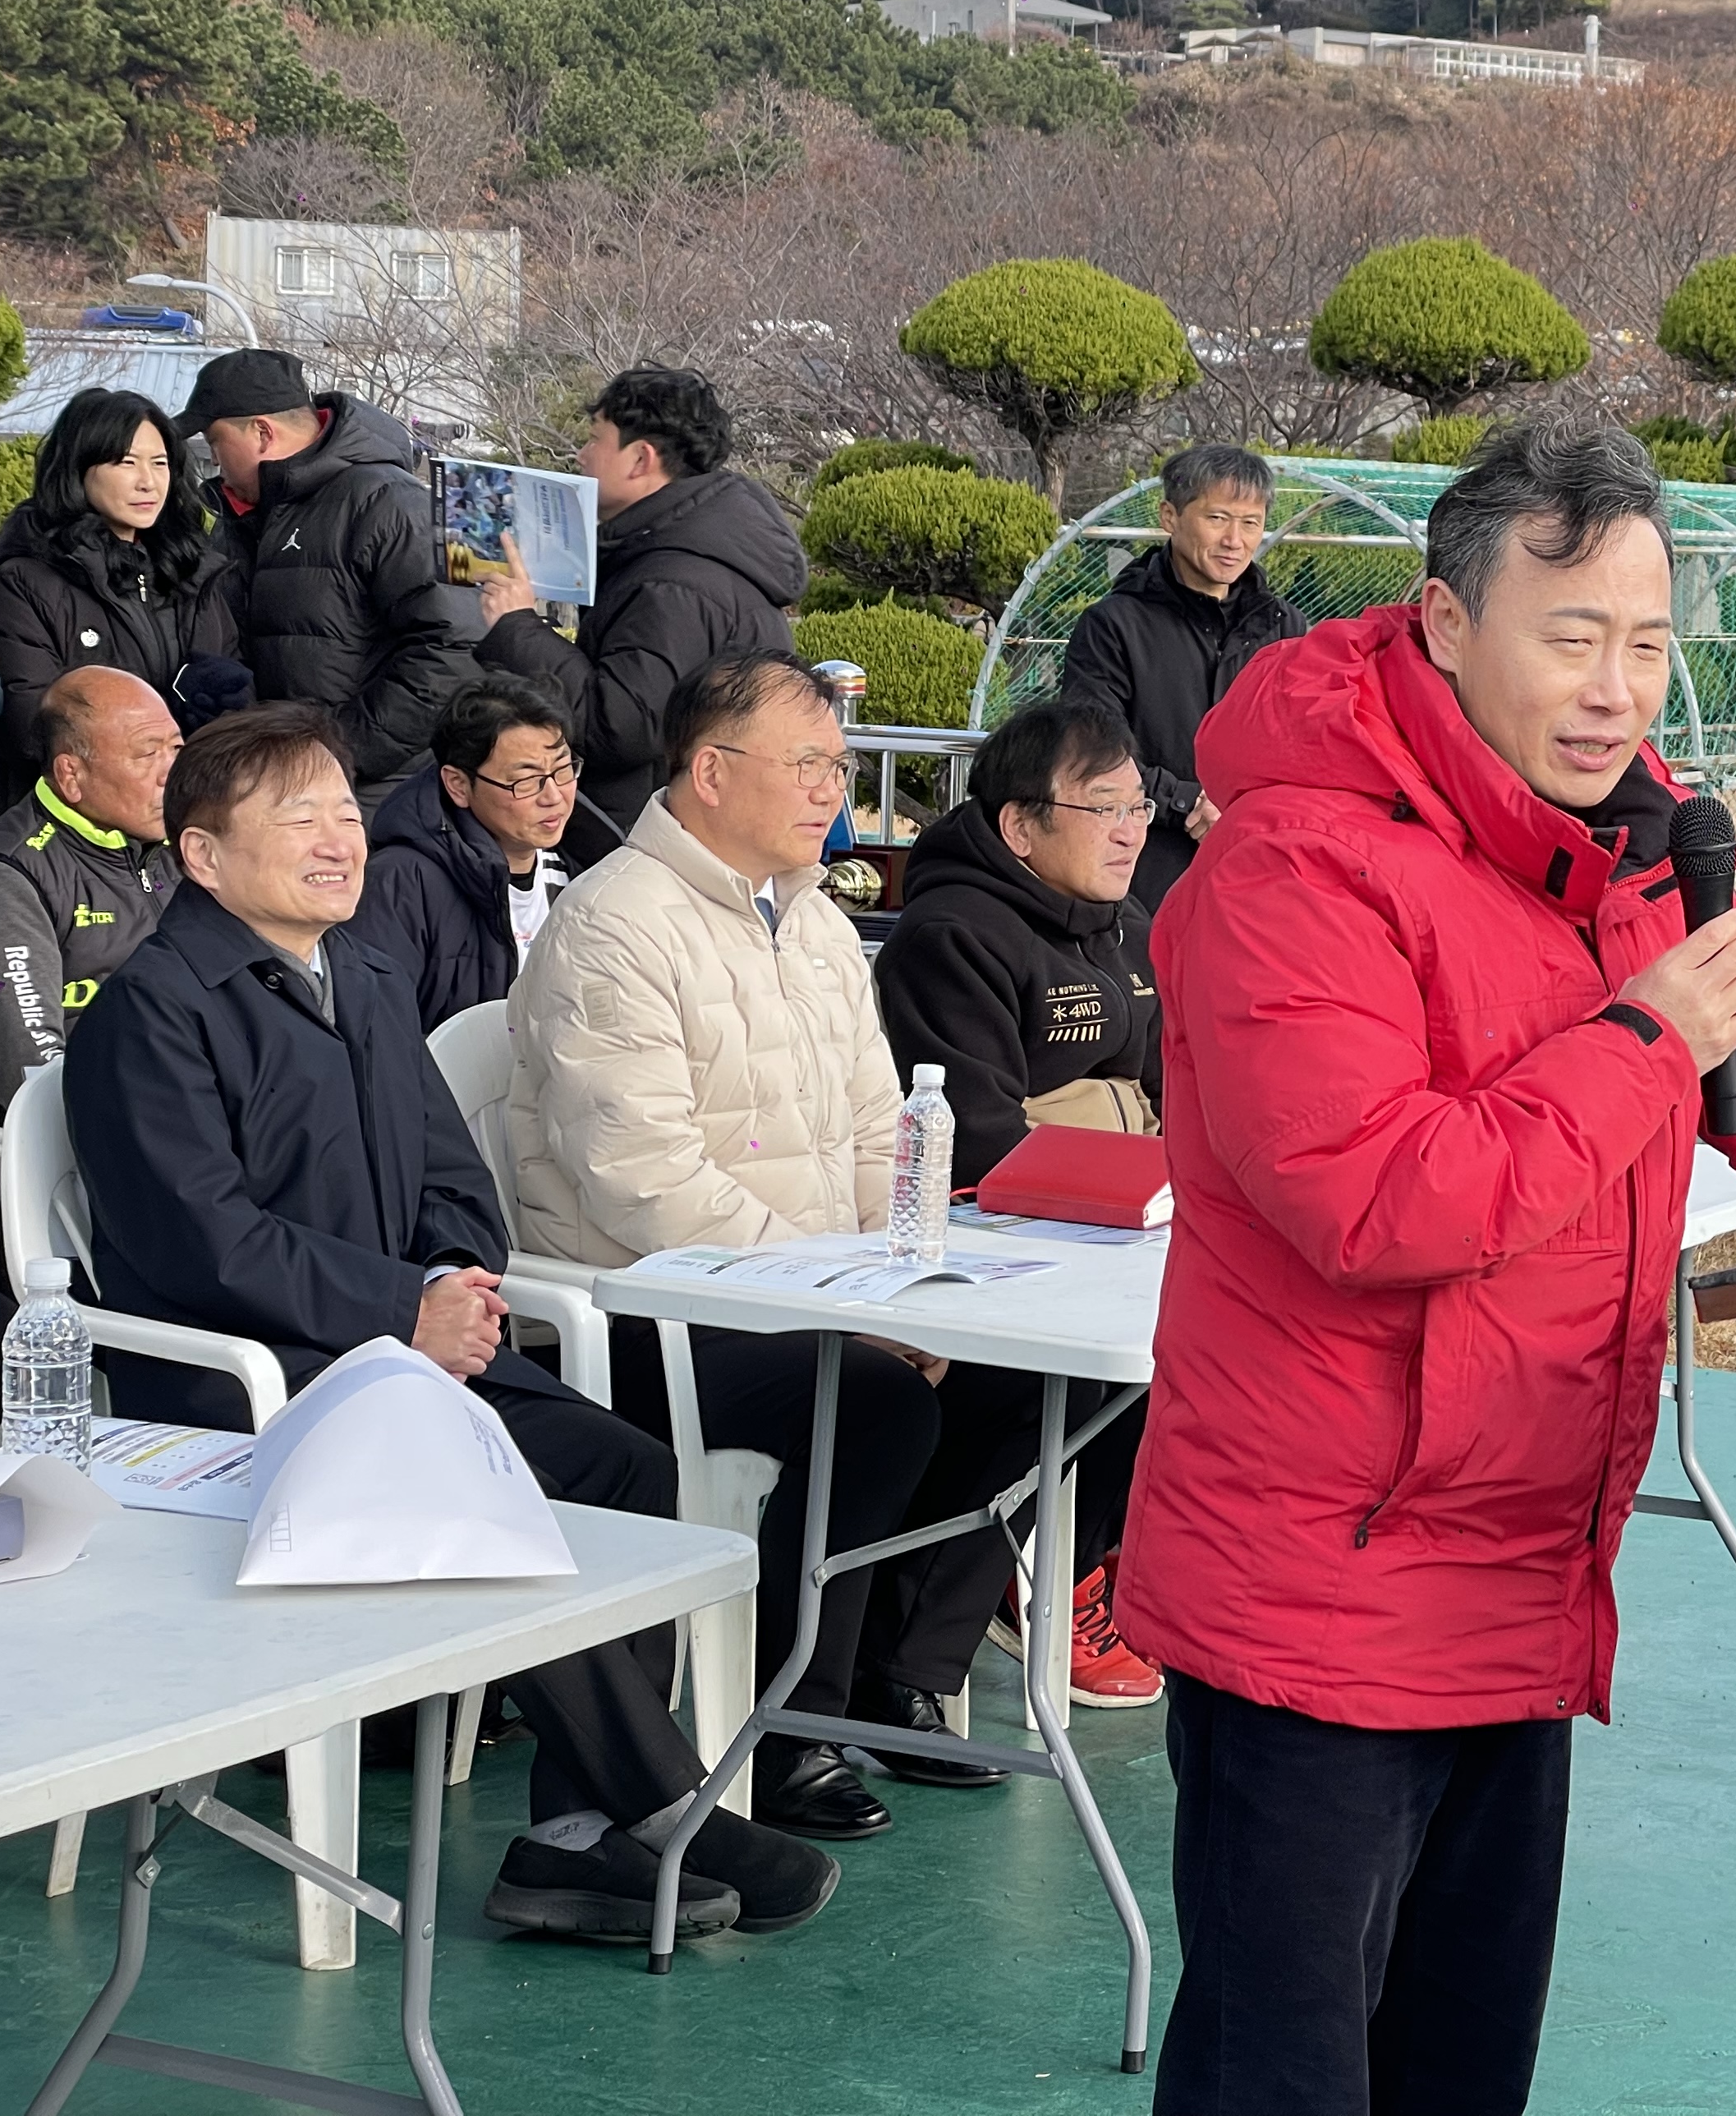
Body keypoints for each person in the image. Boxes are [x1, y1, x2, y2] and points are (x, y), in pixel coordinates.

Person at [1123, 420, 1736, 2116]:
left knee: (1457, 2072)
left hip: (1518, 1579)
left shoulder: (1633, 848)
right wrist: (1643, 1041)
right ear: (1447, 624)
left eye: (1649, 645)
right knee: (1281, 2079)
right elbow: (1378, 1196)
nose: (1615, 693)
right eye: (1572, 637)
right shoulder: (1295, 864)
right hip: (1321, 1599)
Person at [65, 704, 837, 1944]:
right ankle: (666, 1806)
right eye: (298, 818)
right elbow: (200, 1243)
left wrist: (453, 1289)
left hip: (405, 1363)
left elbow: (453, 1182)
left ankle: (571, 1839)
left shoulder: (366, 977)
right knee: (491, 1488)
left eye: (344, 811)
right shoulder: (151, 1012)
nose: (339, 841)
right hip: (249, 1392)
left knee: (623, 1469)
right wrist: (400, 1311)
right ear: (202, 855)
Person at [505, 656, 1038, 1838]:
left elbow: (880, 1133)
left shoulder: (815, 922)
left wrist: (907, 1290)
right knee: (874, 1403)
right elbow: (652, 1189)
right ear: (709, 772)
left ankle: (898, 1670)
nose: (832, 790)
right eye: (808, 764)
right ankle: (789, 1725)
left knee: (1026, 1377)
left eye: (837, 767)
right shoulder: (614, 925)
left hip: (813, 1295)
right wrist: (845, 1309)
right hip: (649, 1311)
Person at [872, 694, 1165, 1709]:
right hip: (985, 1243)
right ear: (1021, 826)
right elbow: (979, 1133)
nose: (1131, 831)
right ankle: (1010, 1599)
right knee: (1074, 1370)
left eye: (1139, 806)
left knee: (1206, 1337)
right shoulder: (951, 934)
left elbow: (1177, 1090)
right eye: (1103, 808)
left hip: (1117, 1223)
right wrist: (1122, 1140)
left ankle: (1111, 1559)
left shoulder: (1126, 927)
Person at [471, 368, 805, 865]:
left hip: (659, 846)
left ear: (641, 459)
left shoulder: (673, 582)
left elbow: (621, 726)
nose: (580, 456)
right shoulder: (689, 550)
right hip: (690, 839)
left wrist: (517, 625)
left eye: (594, 439)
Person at [0, 666, 173, 1448]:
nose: (173, 770)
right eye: (148, 753)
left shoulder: (181, 846)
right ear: (72, 775)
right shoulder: (5, 874)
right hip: (50, 1170)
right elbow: (33, 1075)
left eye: (177, 747)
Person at [175, 348, 470, 797]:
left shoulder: (392, 503)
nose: (215, 461)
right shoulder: (237, 516)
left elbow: (455, 645)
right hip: (278, 777)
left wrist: (343, 752)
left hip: (372, 791)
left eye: (216, 443)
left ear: (262, 434)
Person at [1055, 444, 1303, 913]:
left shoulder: (1284, 626)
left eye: (1251, 523)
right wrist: (1187, 803)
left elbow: (1303, 746)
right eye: (1217, 518)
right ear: (1170, 516)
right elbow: (1095, 747)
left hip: (1260, 867)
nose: (1235, 540)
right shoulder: (1113, 625)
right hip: (1144, 869)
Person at [0, 386, 244, 815]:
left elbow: (234, 694)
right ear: (78, 469)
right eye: (125, 462)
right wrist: (157, 730)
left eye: (160, 463)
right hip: (73, 833)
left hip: (188, 815)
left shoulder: (193, 573)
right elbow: (29, 731)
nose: (148, 481)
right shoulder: (28, 585)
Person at [353, 674, 579, 1030]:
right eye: (525, 781)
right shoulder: (399, 884)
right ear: (458, 785)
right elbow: (374, 1031)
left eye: (563, 770)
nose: (553, 796)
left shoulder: (583, 868)